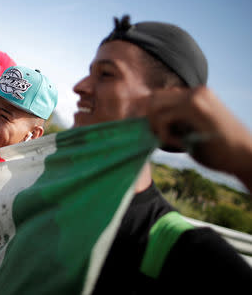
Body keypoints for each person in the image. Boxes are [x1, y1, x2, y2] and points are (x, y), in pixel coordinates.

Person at [72, 15, 252, 294]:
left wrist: (243, 157)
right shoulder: (38, 195)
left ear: (169, 101)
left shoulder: (182, 252)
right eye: (89, 71)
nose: (80, 86)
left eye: (106, 74)